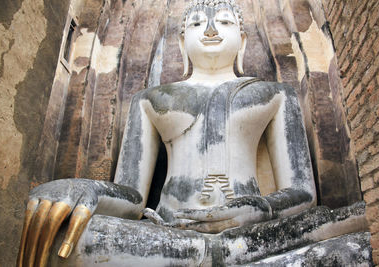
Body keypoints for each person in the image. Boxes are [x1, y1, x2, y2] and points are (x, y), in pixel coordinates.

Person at [17, 0, 316, 266]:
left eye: (225, 22)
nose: (211, 31)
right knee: (64, 238)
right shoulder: (151, 99)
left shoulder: (276, 95)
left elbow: (303, 194)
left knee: (355, 243)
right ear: (183, 43)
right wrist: (89, 190)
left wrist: (262, 208)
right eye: (198, 23)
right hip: (169, 237)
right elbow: (133, 199)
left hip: (254, 237)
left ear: (243, 40)